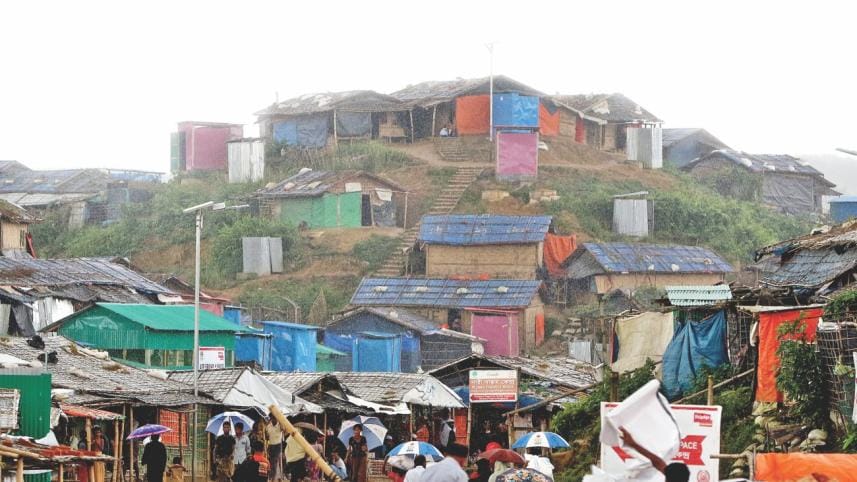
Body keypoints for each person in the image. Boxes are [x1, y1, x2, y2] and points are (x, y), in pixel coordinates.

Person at [620, 428, 689, 482]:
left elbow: (658, 463)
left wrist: (633, 444)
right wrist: (633, 443)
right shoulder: (676, 478)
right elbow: (657, 462)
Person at [266, 417, 284, 482]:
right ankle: (278, 477)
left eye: (275, 418)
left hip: (278, 445)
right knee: (272, 462)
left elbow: (283, 429)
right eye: (272, 419)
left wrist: (280, 420)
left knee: (274, 461)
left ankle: (273, 478)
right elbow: (267, 436)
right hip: (270, 445)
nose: (274, 420)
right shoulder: (268, 426)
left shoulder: (280, 425)